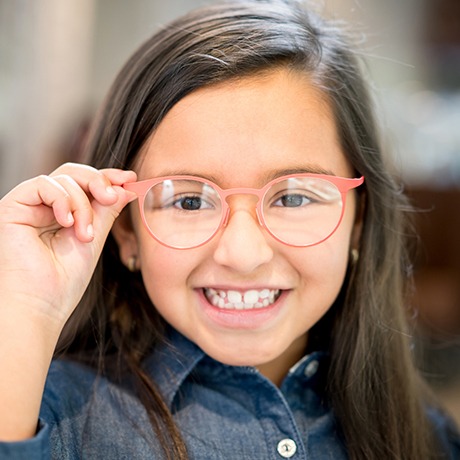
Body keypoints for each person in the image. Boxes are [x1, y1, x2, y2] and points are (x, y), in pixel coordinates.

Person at [0, 1, 459, 458]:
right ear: (125, 233)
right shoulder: (49, 416)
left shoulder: (423, 433)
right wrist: (24, 305)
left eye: (293, 197)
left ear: (359, 222)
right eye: (190, 200)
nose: (243, 254)